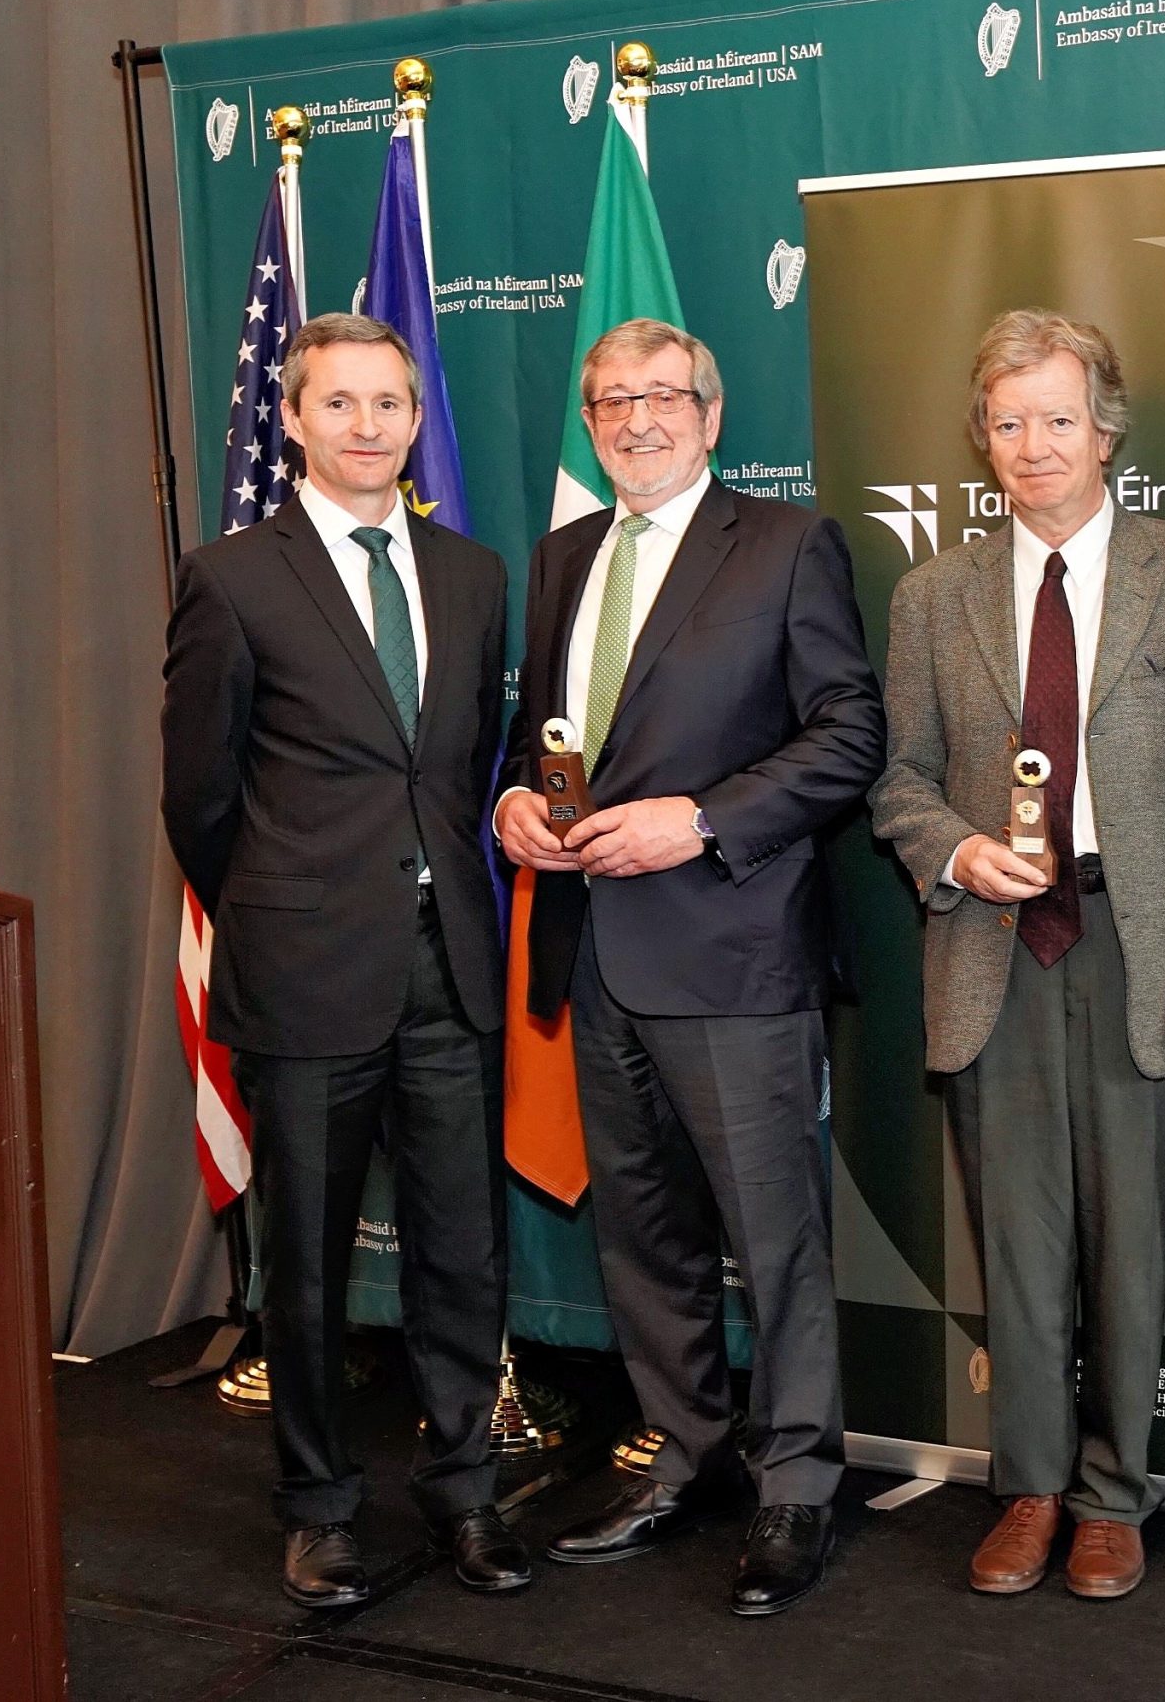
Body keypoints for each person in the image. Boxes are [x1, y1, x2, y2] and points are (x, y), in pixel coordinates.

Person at [870, 310, 1165, 1601]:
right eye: (1006, 421)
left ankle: (1114, 1496)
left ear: (1105, 429)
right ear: (980, 441)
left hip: (1140, 954)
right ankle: (1031, 1486)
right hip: (995, 951)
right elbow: (900, 782)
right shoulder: (933, 596)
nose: (1033, 445)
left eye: (1056, 418)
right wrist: (956, 851)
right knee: (1020, 1244)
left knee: (1127, 1246)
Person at [494, 318, 885, 1617]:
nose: (636, 419)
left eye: (663, 397)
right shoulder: (560, 558)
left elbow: (849, 734)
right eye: (610, 401)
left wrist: (701, 818)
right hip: (591, 950)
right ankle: (686, 1449)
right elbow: (539, 734)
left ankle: (794, 1484)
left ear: (713, 417)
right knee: (643, 1237)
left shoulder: (786, 545)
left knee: (773, 1241)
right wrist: (510, 806)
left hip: (732, 946)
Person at [161, 312, 528, 1609]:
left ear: (416, 420)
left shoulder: (475, 576)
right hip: (308, 974)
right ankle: (318, 1509)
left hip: (452, 971)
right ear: (296, 419)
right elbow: (199, 803)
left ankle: (468, 1493)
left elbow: (467, 765)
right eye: (342, 403)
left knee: (461, 1252)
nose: (368, 425)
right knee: (308, 1263)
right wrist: (283, 914)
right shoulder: (233, 579)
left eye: (391, 403)